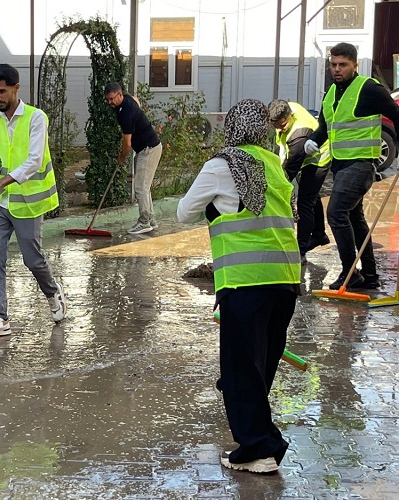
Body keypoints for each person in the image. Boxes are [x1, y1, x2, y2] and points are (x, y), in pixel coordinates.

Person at [177, 99, 301, 474]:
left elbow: (183, 212)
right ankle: (256, 439)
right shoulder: (274, 163)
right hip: (285, 281)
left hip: (246, 282)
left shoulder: (222, 165)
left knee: (242, 369)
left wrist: (214, 206)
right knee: (258, 367)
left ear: (230, 127)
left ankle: (261, 449)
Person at [0, 63, 66, 338]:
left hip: (28, 202)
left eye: (2, 91)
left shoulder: (36, 118)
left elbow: (33, 161)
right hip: (1, 202)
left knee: (32, 260)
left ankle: (53, 292)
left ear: (16, 88)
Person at [306, 42, 399, 290]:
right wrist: (313, 141)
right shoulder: (330, 94)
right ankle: (369, 275)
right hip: (340, 165)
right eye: (333, 65)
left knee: (336, 213)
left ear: (355, 65)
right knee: (355, 219)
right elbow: (325, 128)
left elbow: (396, 115)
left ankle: (350, 272)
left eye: (343, 65)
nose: (337, 69)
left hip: (361, 164)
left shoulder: (368, 88)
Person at [267, 99, 331, 262]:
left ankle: (300, 251)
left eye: (282, 125)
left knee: (304, 203)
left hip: (318, 158)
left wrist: (274, 190)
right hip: (304, 155)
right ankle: (319, 234)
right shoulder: (286, 108)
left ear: (291, 115)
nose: (279, 129)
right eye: (276, 126)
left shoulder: (299, 134)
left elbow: (289, 171)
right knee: (312, 196)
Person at [104, 82, 162, 235]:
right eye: (107, 99)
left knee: (140, 188)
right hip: (148, 148)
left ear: (119, 95)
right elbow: (136, 100)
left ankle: (144, 222)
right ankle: (151, 220)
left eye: (112, 99)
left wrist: (121, 158)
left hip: (148, 149)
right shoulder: (127, 100)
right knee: (144, 186)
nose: (109, 102)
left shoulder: (126, 114)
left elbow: (127, 143)